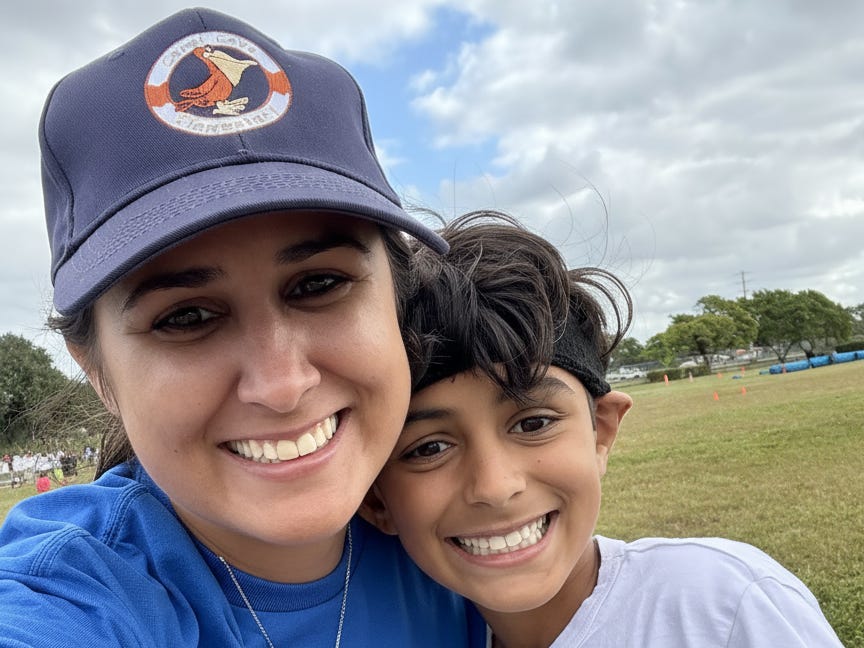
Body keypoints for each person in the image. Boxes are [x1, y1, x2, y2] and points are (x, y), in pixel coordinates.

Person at [0, 9, 485, 647]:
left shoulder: (460, 536)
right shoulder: (72, 596)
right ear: (97, 372)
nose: (281, 385)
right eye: (187, 318)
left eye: (319, 285)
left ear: (398, 301)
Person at [363, 212, 843, 647]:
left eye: (533, 423)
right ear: (376, 500)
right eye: (429, 448)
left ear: (601, 432)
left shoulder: (723, 607)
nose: (495, 487)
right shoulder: (417, 630)